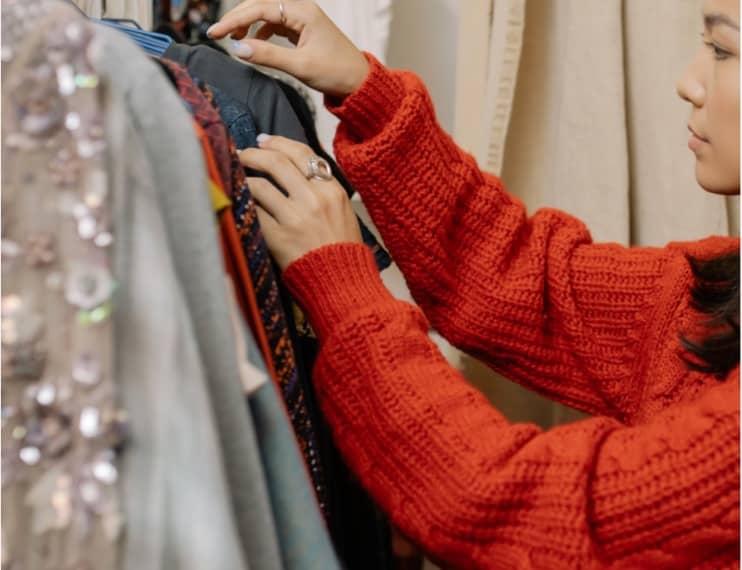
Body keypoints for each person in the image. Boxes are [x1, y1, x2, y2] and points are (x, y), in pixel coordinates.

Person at [208, 0, 740, 567]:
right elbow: (523, 282)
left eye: (723, 48)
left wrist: (342, 287)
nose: (689, 82)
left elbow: (504, 506)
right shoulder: (717, 292)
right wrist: (368, 95)